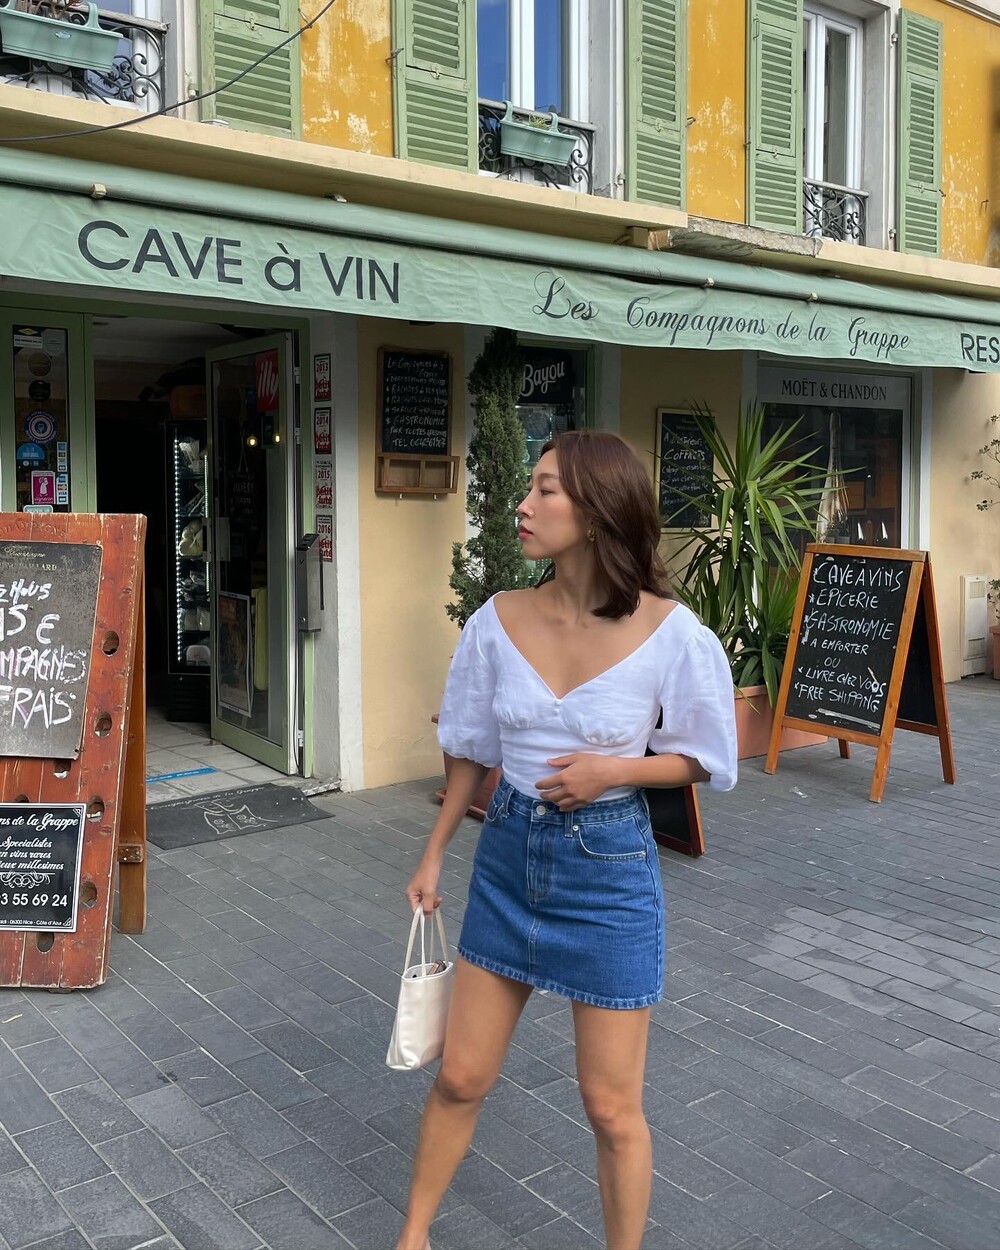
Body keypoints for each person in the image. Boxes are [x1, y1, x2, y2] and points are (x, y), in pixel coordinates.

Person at [397, 430, 737, 1250]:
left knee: (611, 1108)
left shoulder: (671, 632)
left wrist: (616, 770)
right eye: (530, 487)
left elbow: (707, 756)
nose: (523, 505)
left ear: (598, 509)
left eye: (545, 489)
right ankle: (412, 1238)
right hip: (507, 858)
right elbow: (470, 745)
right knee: (460, 1076)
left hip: (609, 871)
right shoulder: (497, 619)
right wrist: (435, 851)